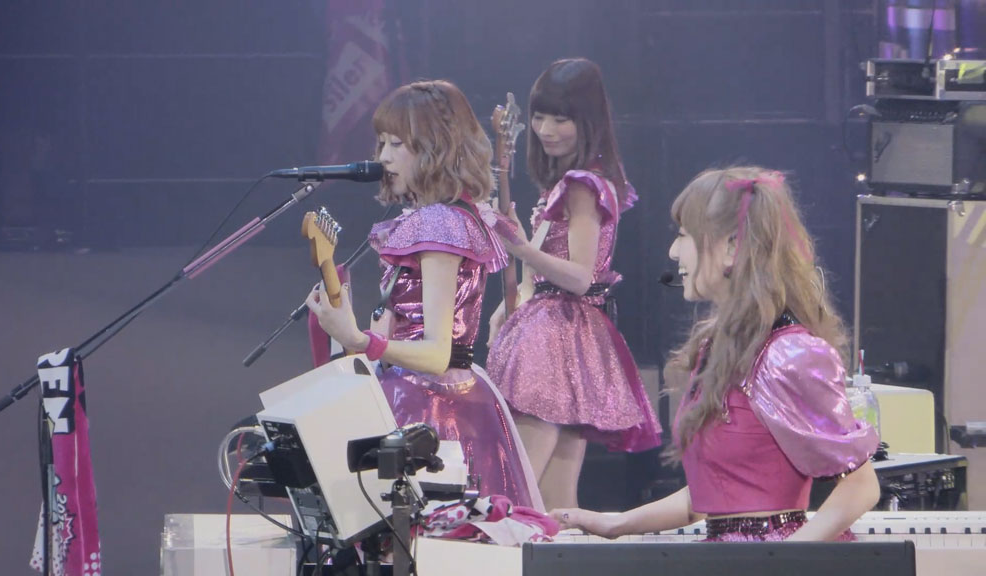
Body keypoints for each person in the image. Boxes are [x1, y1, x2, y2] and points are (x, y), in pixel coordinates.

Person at [551, 166, 881, 541]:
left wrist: (781, 560)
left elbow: (860, 486)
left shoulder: (790, 353)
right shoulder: (720, 348)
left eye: (683, 236)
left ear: (730, 247)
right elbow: (713, 495)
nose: (673, 251)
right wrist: (616, 523)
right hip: (728, 555)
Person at [306, 80, 543, 511]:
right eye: (382, 142)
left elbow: (436, 354)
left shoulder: (438, 222)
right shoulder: (442, 216)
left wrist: (359, 339)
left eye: (397, 144)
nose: (383, 157)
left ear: (437, 147)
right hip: (432, 397)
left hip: (433, 410)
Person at [485, 58, 661, 510]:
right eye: (540, 117)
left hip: (554, 336)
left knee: (513, 491)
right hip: (567, 333)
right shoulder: (575, 181)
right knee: (558, 505)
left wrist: (520, 247)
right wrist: (517, 294)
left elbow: (581, 277)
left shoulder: (582, 185)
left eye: (561, 119)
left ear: (588, 121)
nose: (546, 130)